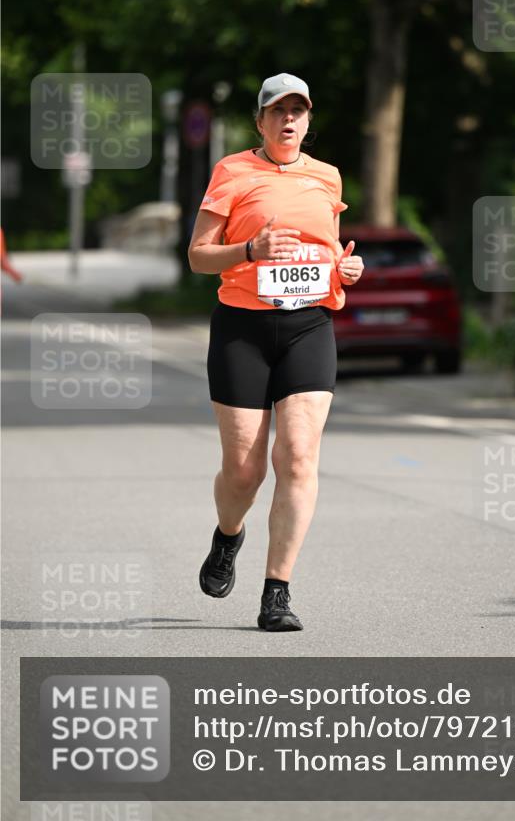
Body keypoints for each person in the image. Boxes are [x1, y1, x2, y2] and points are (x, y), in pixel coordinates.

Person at [188, 73, 364, 631]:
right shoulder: (233, 172)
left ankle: (277, 592)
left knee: (298, 457)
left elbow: (329, 249)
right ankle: (227, 537)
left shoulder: (327, 176)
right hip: (243, 328)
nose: (289, 119)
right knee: (244, 473)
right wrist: (249, 248)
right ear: (259, 121)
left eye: (299, 111)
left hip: (309, 326)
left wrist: (346, 268)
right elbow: (198, 256)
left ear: (308, 121)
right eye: (278, 111)